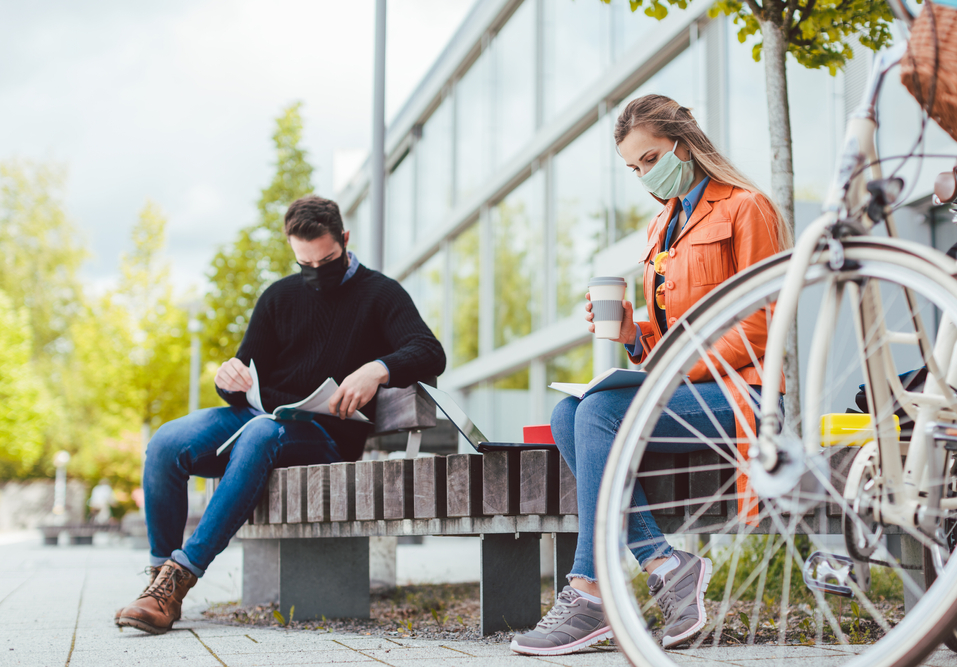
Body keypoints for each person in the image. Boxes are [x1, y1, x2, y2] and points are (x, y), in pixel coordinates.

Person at [511, 94, 791, 656]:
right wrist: (635, 336)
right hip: (687, 390)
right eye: (634, 167)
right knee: (570, 412)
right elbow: (667, 344)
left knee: (597, 411)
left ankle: (591, 592)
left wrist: (666, 366)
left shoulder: (747, 207)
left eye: (650, 158)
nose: (644, 174)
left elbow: (763, 328)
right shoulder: (660, 227)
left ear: (683, 146)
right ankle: (664, 563)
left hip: (745, 398)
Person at [115, 195, 446, 635]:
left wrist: (377, 369)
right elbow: (245, 372)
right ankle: (157, 581)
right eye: (304, 264)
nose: (316, 273)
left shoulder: (380, 293)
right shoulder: (278, 297)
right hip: (262, 418)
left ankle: (179, 579)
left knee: (260, 434)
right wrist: (226, 377)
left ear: (345, 239)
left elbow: (430, 351)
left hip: (323, 437)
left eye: (326, 259)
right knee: (165, 443)